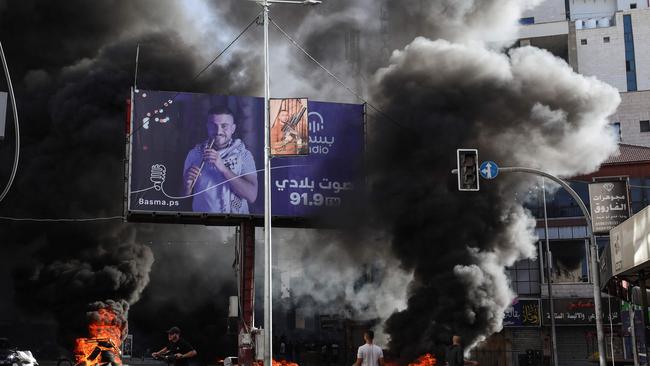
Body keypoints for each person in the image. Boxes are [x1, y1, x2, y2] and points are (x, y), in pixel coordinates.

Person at [183, 106, 258, 214]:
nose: (218, 131)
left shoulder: (245, 155)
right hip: (204, 225)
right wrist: (187, 186)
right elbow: (184, 196)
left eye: (224, 126)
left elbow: (251, 196)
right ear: (207, 127)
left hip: (236, 224)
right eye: (213, 126)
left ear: (233, 129)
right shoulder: (194, 154)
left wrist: (222, 168)